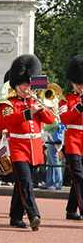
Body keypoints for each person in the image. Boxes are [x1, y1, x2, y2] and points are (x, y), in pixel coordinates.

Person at [0, 54, 55, 231]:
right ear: (16, 84)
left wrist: (41, 105)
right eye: (23, 84)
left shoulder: (35, 101)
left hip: (35, 148)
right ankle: (33, 214)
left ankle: (15, 216)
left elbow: (51, 119)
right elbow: (5, 123)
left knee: (22, 184)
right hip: (18, 148)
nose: (26, 87)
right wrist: (28, 112)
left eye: (29, 84)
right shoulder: (8, 103)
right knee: (26, 182)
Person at [59, 55, 83, 220]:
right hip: (73, 140)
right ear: (73, 83)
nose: (81, 86)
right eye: (79, 83)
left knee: (80, 176)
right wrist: (79, 107)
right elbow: (64, 119)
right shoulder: (66, 99)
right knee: (78, 175)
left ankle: (71, 209)